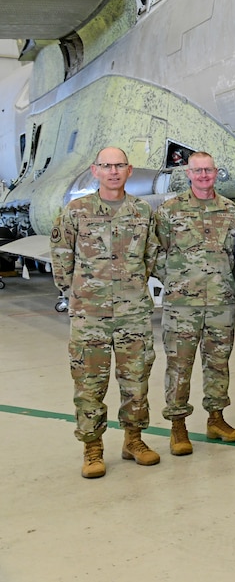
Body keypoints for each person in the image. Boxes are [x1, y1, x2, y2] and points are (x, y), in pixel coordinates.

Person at [51, 147, 161, 478]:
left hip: (133, 313)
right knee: (89, 383)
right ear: (94, 170)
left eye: (119, 166)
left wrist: (130, 288)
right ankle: (92, 447)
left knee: (136, 380)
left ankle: (133, 440)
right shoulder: (76, 211)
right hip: (89, 315)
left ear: (129, 171)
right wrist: (81, 293)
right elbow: (61, 256)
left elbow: (150, 255)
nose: (113, 171)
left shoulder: (142, 211)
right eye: (106, 166)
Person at [154, 151, 235, 456]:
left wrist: (218, 277)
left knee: (218, 361)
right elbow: (157, 253)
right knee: (180, 365)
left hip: (220, 300)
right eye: (198, 170)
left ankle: (216, 419)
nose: (204, 175)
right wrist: (179, 279)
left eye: (208, 170)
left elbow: (233, 252)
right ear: (187, 174)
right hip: (182, 305)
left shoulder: (230, 210)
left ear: (216, 173)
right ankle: (178, 425)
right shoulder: (169, 211)